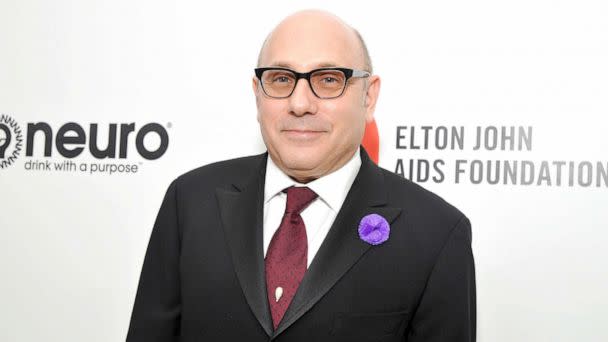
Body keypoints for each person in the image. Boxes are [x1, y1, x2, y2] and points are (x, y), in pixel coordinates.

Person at [126, 9, 475, 342]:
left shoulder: (437, 234)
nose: (300, 103)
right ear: (257, 92)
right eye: (281, 79)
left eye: (328, 79)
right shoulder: (189, 202)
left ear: (369, 97)